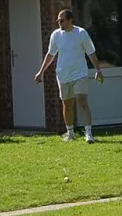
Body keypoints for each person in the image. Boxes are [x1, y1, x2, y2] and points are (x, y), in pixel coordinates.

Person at [36, 8, 102, 143]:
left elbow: (91, 52)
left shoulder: (81, 33)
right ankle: (70, 133)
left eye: (62, 20)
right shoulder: (56, 35)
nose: (59, 23)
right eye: (58, 21)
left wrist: (98, 70)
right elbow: (50, 54)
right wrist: (41, 72)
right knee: (67, 104)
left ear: (70, 20)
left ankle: (88, 133)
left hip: (80, 73)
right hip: (63, 75)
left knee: (81, 100)